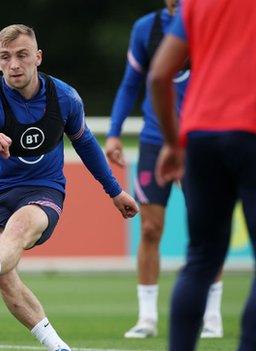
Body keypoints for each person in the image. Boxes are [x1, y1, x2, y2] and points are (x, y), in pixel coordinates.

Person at [0, 24, 139, 351]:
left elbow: (86, 144)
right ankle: (58, 347)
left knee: (18, 229)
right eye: (5, 57)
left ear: (38, 57)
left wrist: (115, 191)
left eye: (22, 55)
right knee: (5, 274)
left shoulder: (63, 97)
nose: (14, 65)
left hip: (42, 191)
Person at [105, 0, 223, 338]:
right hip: (155, 142)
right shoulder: (147, 29)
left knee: (206, 230)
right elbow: (131, 84)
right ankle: (147, 318)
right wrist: (114, 132)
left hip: (199, 141)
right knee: (150, 229)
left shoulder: (209, 23)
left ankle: (211, 318)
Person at [148, 0, 256, 349]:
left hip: (201, 138)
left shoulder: (197, 3)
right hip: (252, 132)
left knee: (201, 259)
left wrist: (173, 142)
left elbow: (159, 75)